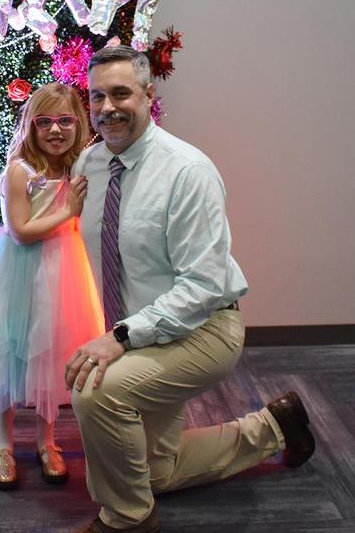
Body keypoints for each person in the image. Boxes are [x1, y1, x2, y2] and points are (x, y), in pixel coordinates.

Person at [65, 46, 317, 533]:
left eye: (121, 94)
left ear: (148, 95)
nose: (107, 108)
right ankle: (274, 428)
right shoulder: (89, 165)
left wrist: (118, 338)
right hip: (142, 334)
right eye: (97, 97)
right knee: (154, 472)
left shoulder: (187, 171)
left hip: (203, 330)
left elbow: (202, 286)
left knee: (95, 391)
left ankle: (128, 520)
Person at [0, 82, 106, 490]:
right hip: (23, 272)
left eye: (65, 121)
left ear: (78, 124)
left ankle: (47, 441)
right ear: (30, 126)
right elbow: (21, 231)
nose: (56, 130)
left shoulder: (78, 168)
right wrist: (68, 212)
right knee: (12, 354)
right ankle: (3, 443)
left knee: (53, 356)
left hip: (65, 273)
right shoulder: (19, 172)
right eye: (45, 122)